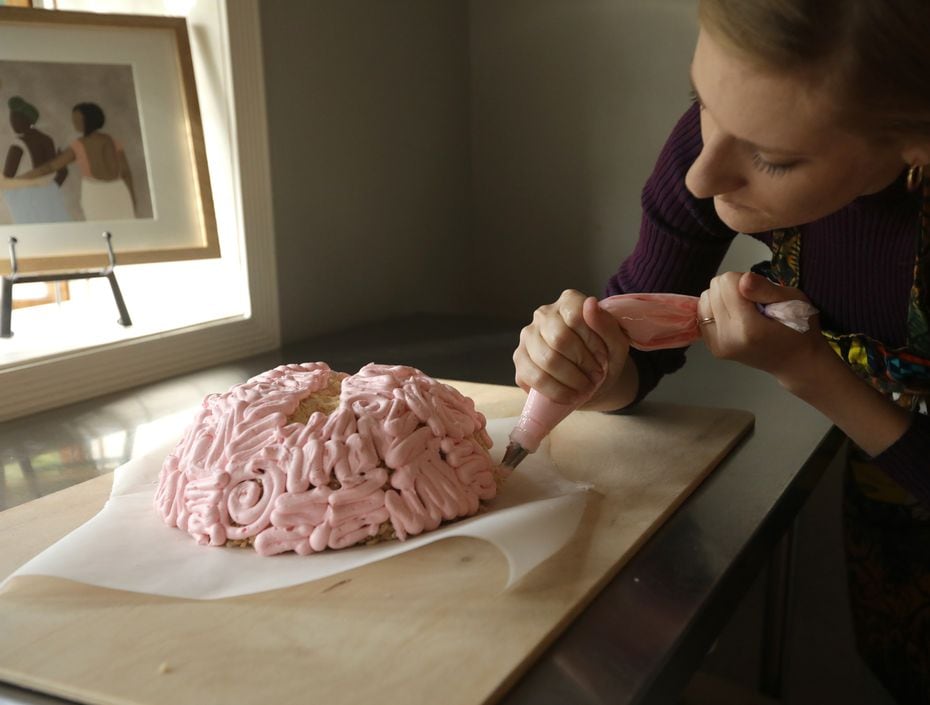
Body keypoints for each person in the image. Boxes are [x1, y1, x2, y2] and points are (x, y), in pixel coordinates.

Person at [512, 1, 930, 702]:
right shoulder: (717, 148)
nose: (703, 177)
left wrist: (809, 371)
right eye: (700, 100)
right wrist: (594, 364)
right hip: (890, 520)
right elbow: (638, 356)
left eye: (772, 157)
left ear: (916, 139)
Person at [20, 101, 136, 221]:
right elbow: (126, 173)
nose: (74, 123)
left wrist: (19, 179)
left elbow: (49, 167)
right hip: (120, 192)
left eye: (77, 120)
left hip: (95, 194)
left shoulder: (79, 145)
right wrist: (132, 199)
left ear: (88, 120)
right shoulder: (112, 140)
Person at [1, 95, 71, 224]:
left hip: (26, 200)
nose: (12, 122)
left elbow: (6, 179)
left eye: (15, 117)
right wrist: (49, 190)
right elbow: (62, 173)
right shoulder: (47, 140)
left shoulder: (18, 145)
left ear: (26, 120)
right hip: (49, 198)